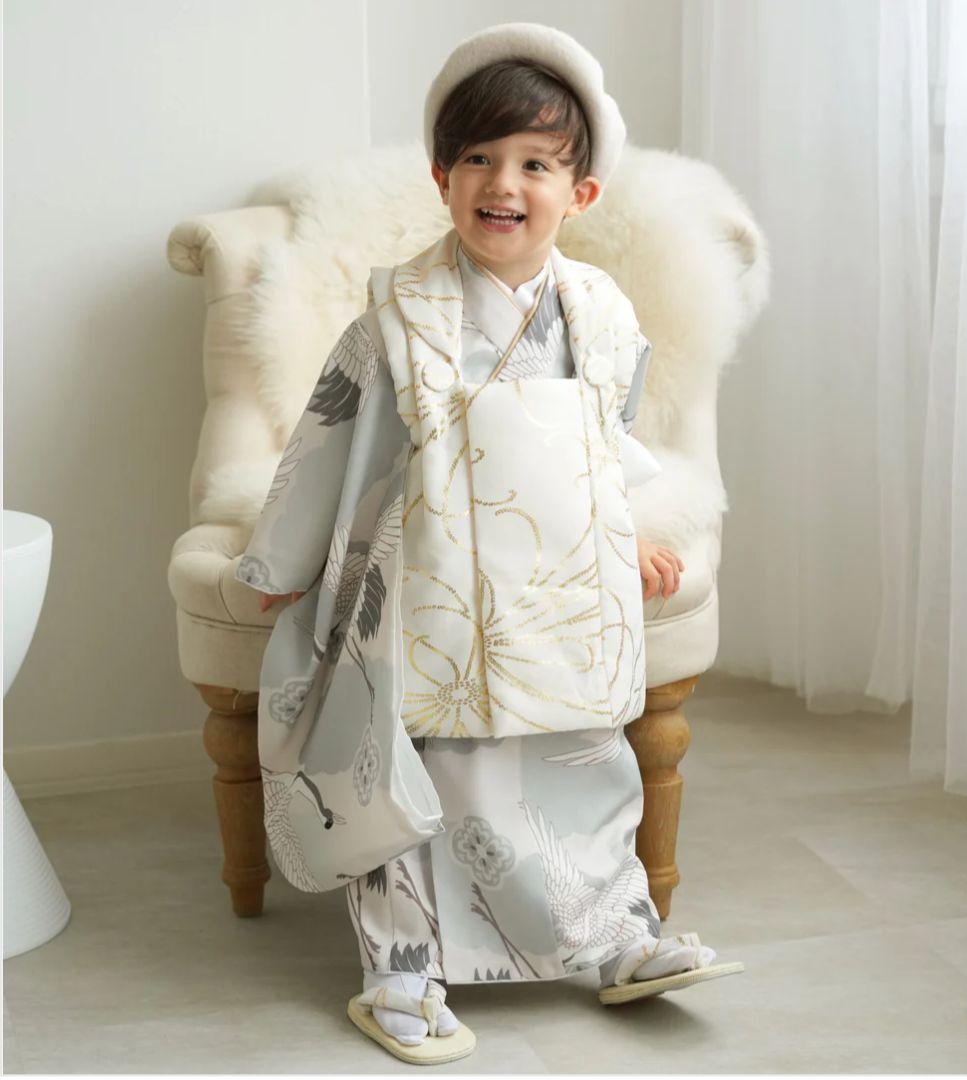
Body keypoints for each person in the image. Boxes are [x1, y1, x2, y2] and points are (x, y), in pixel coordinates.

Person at [236, 21, 743, 1066]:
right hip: (429, 585)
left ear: (580, 192)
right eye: (478, 158)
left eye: (535, 164)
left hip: (558, 590)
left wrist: (628, 538)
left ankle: (613, 935)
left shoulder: (600, 314)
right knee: (413, 771)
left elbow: (604, 444)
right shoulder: (395, 319)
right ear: (442, 178)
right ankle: (403, 968)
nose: (503, 184)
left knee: (578, 763)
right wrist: (281, 564)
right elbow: (328, 437)